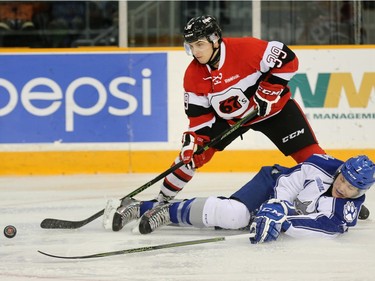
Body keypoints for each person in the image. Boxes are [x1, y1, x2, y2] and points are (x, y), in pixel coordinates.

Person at [109, 14, 330, 231]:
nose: (195, 52)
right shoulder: (193, 75)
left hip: (275, 110)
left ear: (215, 40)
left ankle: (336, 194)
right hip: (231, 119)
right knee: (193, 156)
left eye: (200, 44)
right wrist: (194, 141)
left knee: (311, 157)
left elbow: (288, 59)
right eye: (191, 46)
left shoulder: (247, 49)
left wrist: (268, 92)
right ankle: (161, 202)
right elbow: (200, 119)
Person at [103, 154, 375, 244]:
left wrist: (284, 223)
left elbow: (323, 228)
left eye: (351, 188)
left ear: (361, 192)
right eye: (342, 179)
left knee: (234, 221)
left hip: (284, 213)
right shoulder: (320, 165)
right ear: (341, 171)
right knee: (235, 214)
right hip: (272, 184)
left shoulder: (347, 209)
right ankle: (146, 208)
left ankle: (157, 211)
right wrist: (276, 206)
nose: (343, 187)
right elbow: (289, 182)